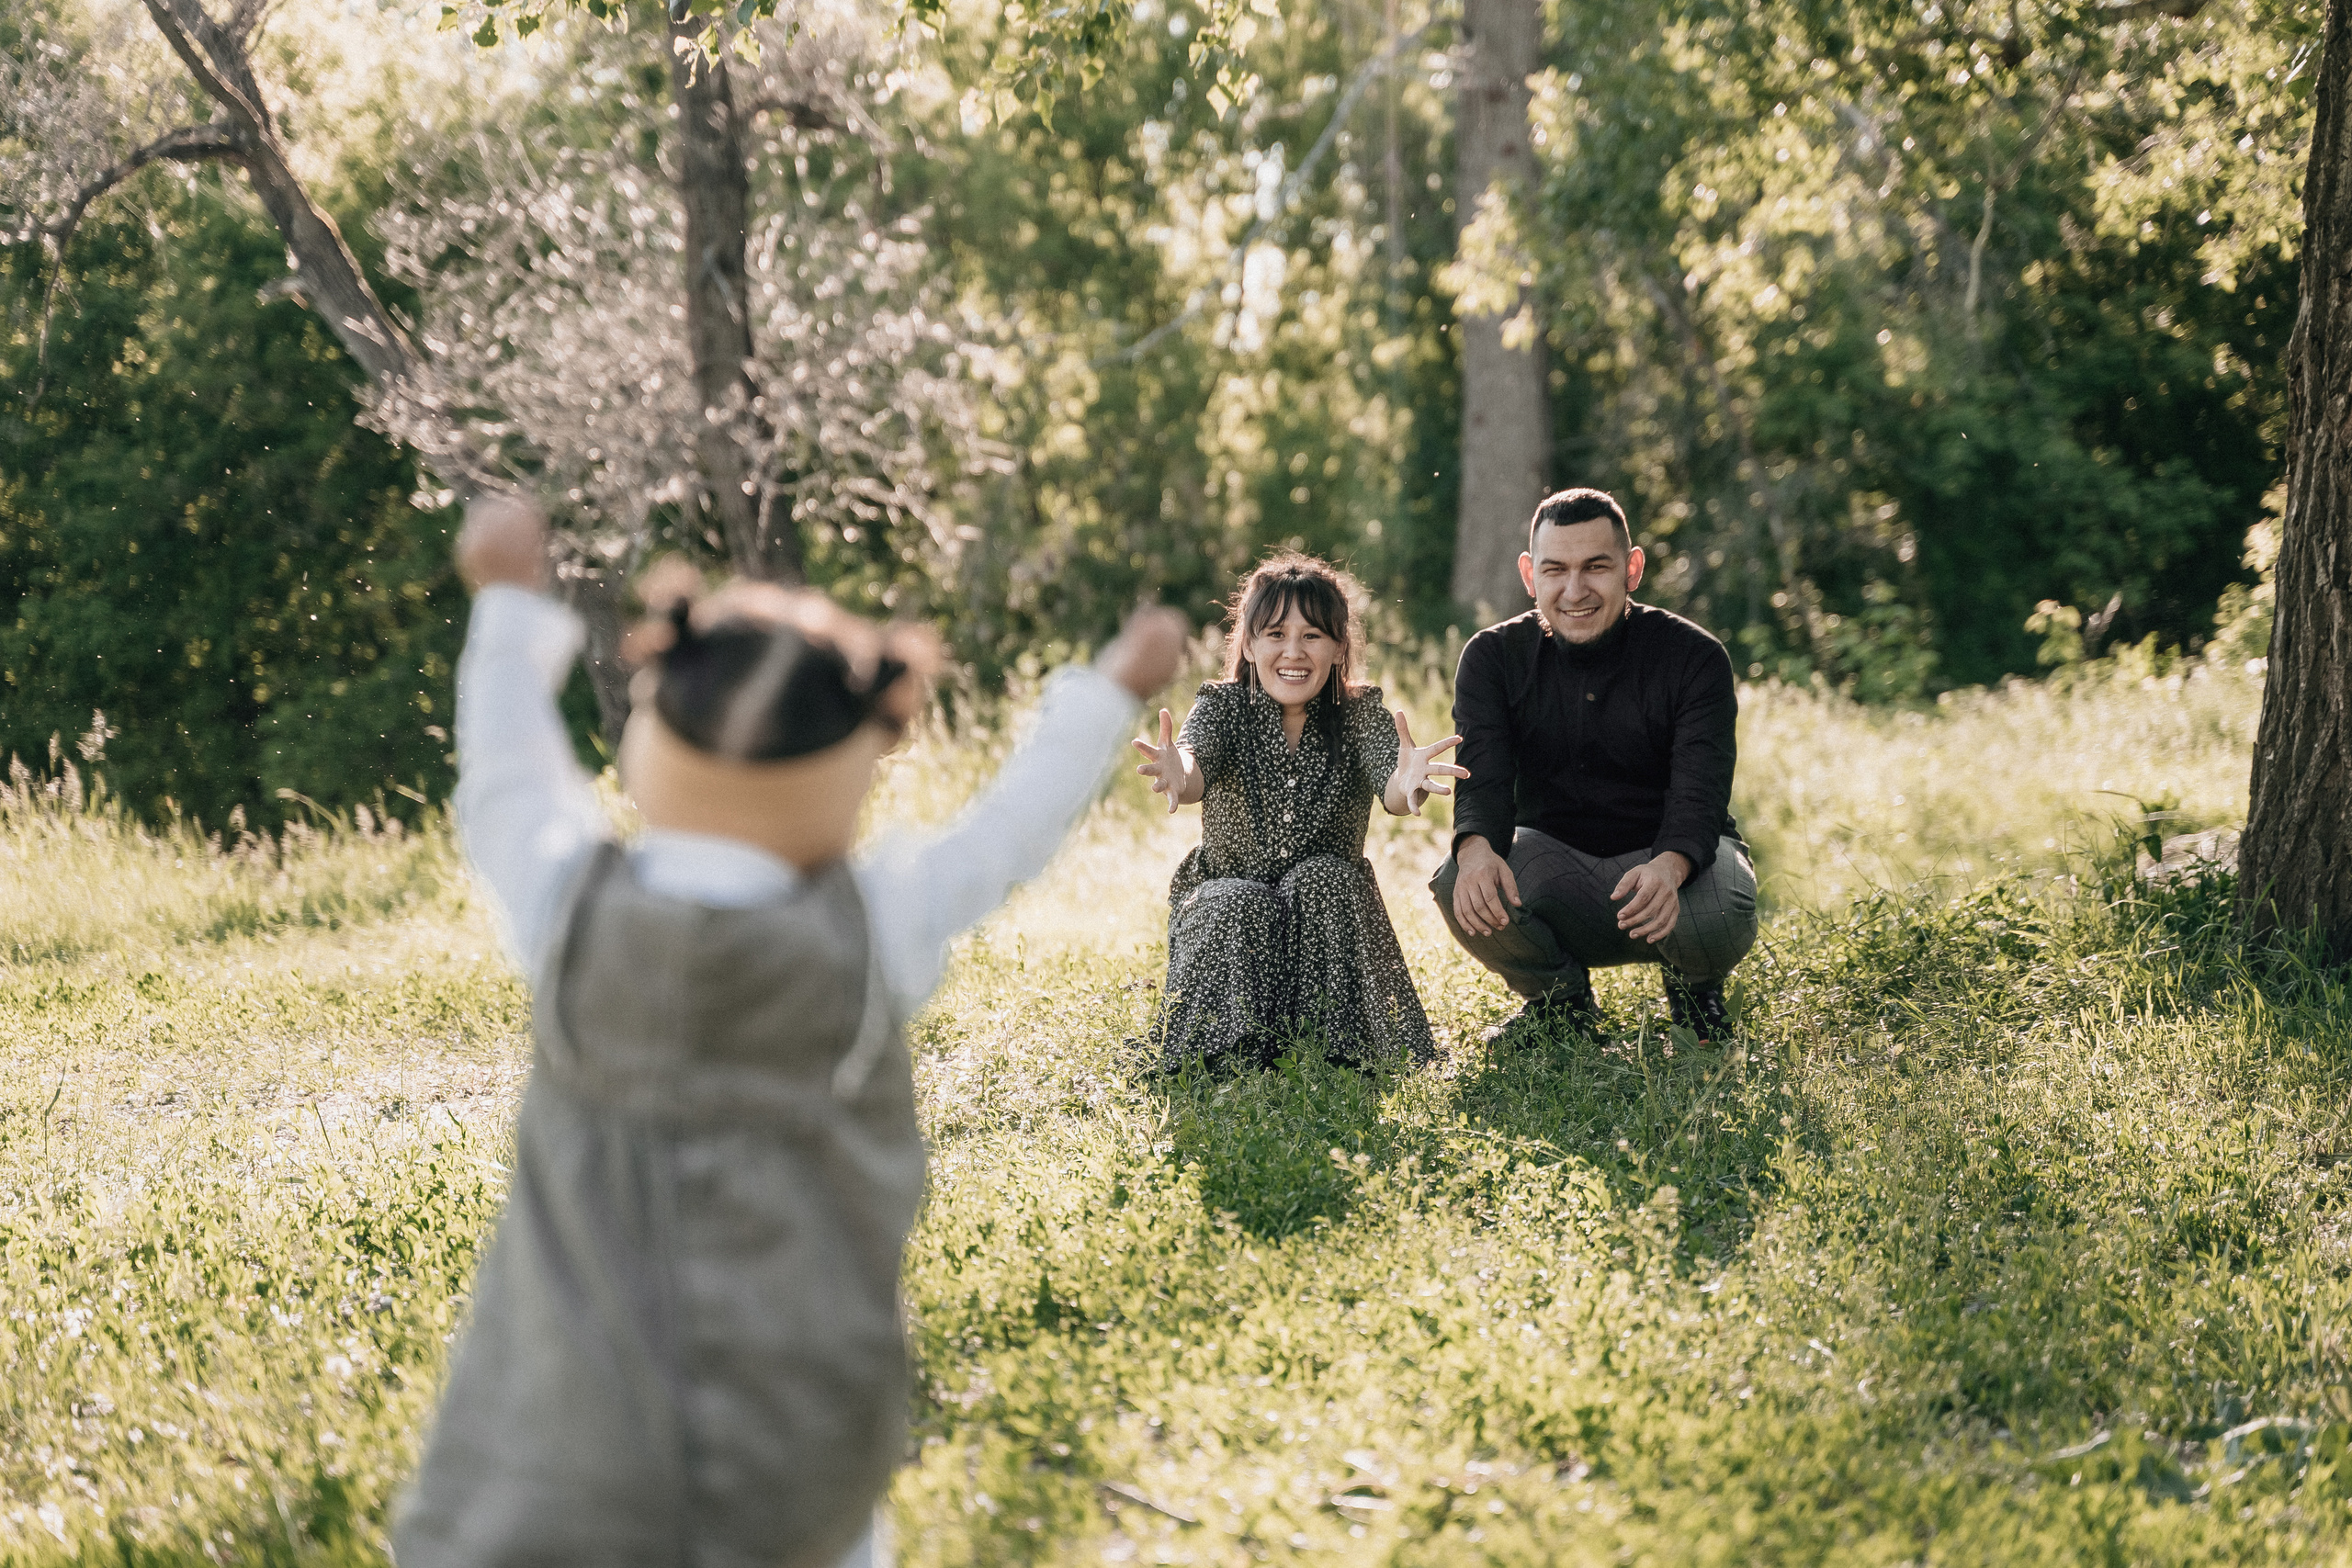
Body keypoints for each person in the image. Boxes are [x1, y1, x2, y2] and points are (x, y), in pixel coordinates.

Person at [393, 493, 1186, 1568]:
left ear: (649, 735)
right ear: (856, 763)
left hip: (556, 1459)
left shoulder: (570, 909)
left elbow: (509, 777)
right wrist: (1109, 693)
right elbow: (1007, 831)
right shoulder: (875, 929)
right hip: (790, 1459)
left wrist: (504, 604)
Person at [1430, 487, 1757, 1043]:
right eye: (1555, 570)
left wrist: (1671, 866)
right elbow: (1481, 779)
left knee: (1724, 900)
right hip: (1556, 867)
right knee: (1461, 877)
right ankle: (1563, 1005)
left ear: (1631, 569)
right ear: (1530, 576)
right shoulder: (1492, 657)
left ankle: (1695, 991)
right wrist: (1476, 849)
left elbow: (1700, 796)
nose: (1575, 590)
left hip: (1668, 866)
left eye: (1596, 567)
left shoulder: (1695, 657)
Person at [1132, 553, 1464, 1072]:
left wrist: (1409, 780)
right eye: (1275, 634)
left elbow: (1392, 786)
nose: (1293, 651)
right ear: (1247, 643)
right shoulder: (1222, 707)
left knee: (1324, 877)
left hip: (1326, 921)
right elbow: (1195, 763)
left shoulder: (1359, 714)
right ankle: (1228, 1054)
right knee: (1236, 898)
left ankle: (1338, 1050)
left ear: (1338, 649)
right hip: (1234, 914)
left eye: (1312, 636)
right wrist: (1180, 770)